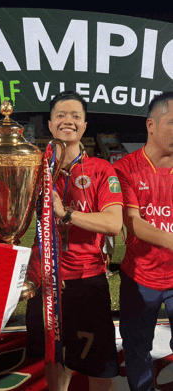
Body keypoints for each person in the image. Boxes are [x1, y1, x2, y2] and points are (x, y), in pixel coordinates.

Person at [25, 91, 123, 391]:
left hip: (86, 281)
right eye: (60, 116)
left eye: (75, 116)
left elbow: (113, 224)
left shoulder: (101, 169)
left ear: (84, 125)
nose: (68, 120)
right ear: (51, 125)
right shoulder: (34, 172)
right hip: (43, 283)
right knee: (54, 362)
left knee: (97, 366)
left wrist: (65, 213)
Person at [114, 91, 173, 391]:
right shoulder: (124, 168)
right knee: (137, 349)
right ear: (151, 125)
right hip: (140, 277)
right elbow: (133, 223)